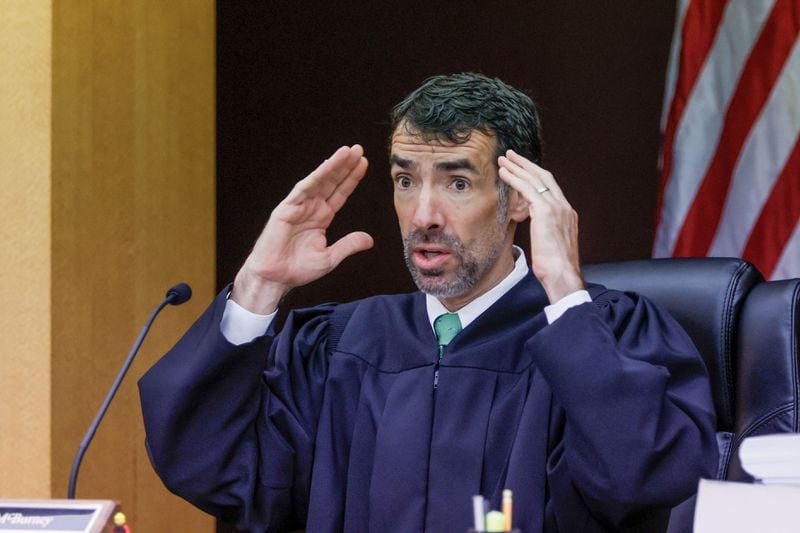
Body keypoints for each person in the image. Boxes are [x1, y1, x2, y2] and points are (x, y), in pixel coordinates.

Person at [139, 73, 717, 532]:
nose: (423, 216)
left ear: (517, 199)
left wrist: (567, 293)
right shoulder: (342, 345)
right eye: (405, 180)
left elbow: (652, 487)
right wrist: (258, 288)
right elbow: (211, 469)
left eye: (457, 182)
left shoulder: (606, 335)